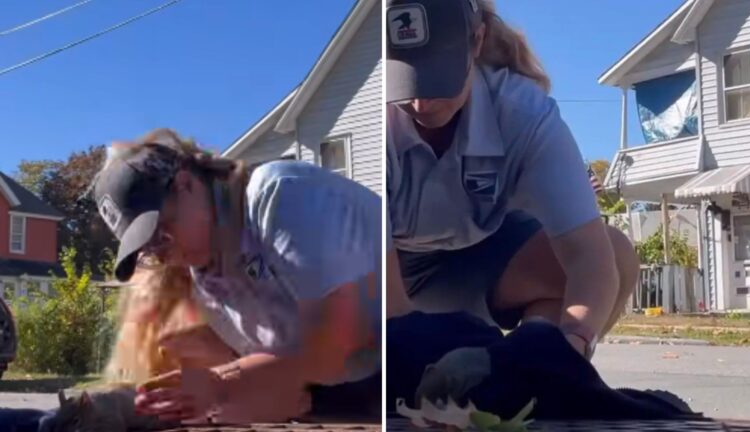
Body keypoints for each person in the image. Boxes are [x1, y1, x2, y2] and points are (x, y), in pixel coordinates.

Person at [385, 0, 639, 360]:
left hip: (486, 258)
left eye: (437, 76)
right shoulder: (373, 123)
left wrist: (572, 346)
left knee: (617, 254)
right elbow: (389, 304)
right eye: (405, 79)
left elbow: (591, 258)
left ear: (476, 40)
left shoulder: (523, 112)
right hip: (390, 269)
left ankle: (534, 376)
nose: (420, 102)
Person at [92, 129, 381, 422]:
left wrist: (222, 383)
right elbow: (290, 379)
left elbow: (339, 343)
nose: (163, 255)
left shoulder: (279, 195)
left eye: (161, 234)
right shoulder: (209, 284)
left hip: (408, 363)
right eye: (149, 251)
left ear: (186, 184)